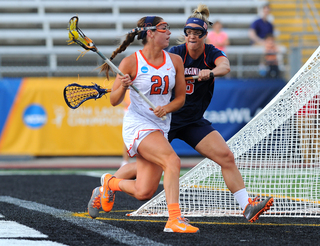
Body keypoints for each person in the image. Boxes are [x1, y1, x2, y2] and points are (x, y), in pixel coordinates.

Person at [89, 4, 274, 225]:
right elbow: (143, 77)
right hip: (160, 122)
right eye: (189, 33)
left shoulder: (206, 54)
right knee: (158, 169)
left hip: (190, 119)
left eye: (197, 33)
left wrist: (210, 73)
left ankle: (246, 206)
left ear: (205, 36)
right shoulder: (172, 55)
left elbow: (225, 66)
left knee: (224, 157)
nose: (192, 37)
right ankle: (163, 213)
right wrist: (126, 85)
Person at [87, 16, 199, 233]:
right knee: (172, 161)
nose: (168, 33)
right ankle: (174, 220)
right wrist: (123, 87)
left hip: (160, 125)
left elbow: (180, 99)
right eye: (163, 28)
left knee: (143, 191)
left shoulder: (175, 61)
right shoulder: (130, 62)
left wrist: (166, 109)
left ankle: (109, 184)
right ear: (150, 33)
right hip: (138, 125)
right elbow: (114, 100)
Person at [121, 90, 131, 167]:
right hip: (128, 111)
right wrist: (124, 103)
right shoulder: (127, 82)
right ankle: (125, 160)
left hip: (140, 111)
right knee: (127, 137)